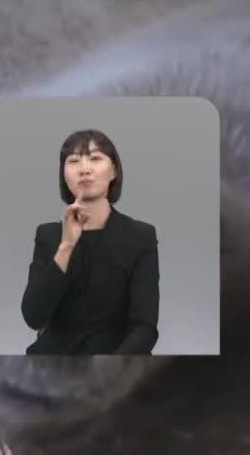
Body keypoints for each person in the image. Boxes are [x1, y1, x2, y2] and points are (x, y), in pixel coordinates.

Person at [20, 128, 160, 354]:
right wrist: (66, 246)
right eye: (74, 161)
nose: (84, 169)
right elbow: (33, 316)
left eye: (95, 158)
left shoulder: (140, 236)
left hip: (116, 366)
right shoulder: (48, 236)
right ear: (64, 175)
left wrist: (110, 370)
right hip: (54, 363)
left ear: (113, 170)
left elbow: (145, 327)